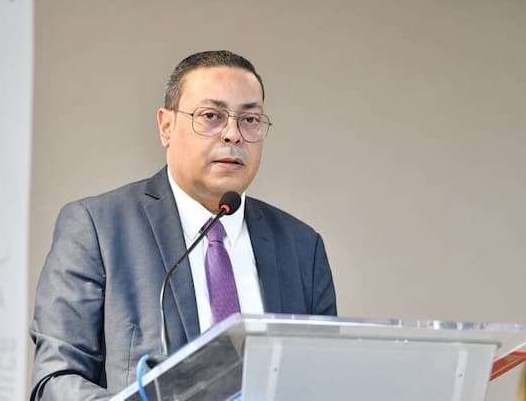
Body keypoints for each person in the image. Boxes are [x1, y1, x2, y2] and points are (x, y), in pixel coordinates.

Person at [30, 50, 337, 400]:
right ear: (166, 126)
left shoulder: (301, 247)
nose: (233, 134)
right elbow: (55, 381)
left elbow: (322, 381)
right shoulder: (98, 229)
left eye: (250, 119)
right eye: (211, 116)